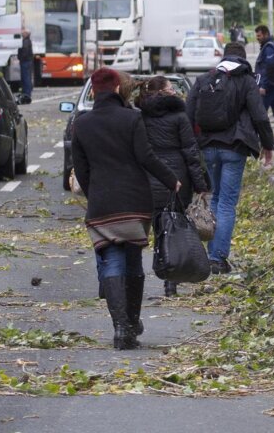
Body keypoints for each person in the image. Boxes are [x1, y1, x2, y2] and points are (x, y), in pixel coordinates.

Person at [72, 67, 180, 350]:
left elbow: (81, 171)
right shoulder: (132, 118)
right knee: (132, 260)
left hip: (102, 204)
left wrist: (95, 192)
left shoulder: (82, 124)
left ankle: (121, 327)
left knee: (111, 260)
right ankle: (131, 322)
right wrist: (172, 180)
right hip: (135, 202)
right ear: (119, 89)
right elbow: (146, 156)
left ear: (94, 91)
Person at [186, 41, 274, 274]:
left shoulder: (205, 79)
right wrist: (267, 145)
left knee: (214, 200)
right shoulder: (245, 80)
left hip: (207, 147)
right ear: (243, 58)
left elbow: (189, 114)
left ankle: (210, 256)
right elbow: (259, 116)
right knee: (226, 203)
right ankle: (217, 258)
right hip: (234, 147)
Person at [139, 76, 209, 296]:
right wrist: (200, 184)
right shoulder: (179, 116)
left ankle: (156, 270)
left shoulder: (140, 116)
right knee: (174, 226)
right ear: (160, 92)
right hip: (178, 178)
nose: (174, 92)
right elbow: (190, 152)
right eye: (170, 88)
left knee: (159, 228)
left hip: (151, 176)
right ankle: (171, 281)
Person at [18, 29, 34, 104]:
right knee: (27, 77)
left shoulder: (25, 42)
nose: (22, 34)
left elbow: (24, 52)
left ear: (26, 34)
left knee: (26, 78)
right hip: (27, 61)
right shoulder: (28, 41)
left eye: (23, 33)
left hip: (25, 61)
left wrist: (20, 58)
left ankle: (27, 94)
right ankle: (27, 93)